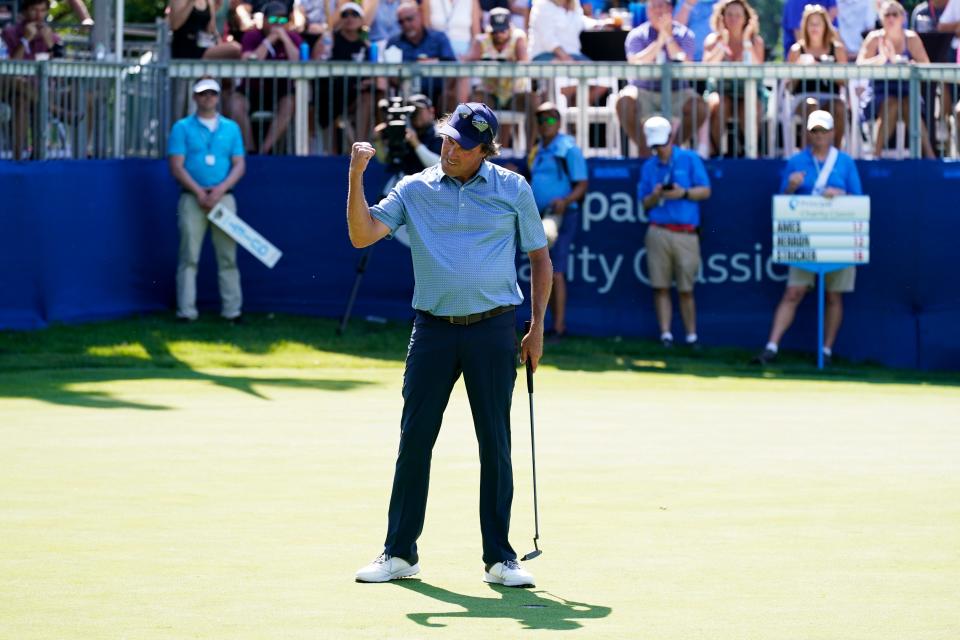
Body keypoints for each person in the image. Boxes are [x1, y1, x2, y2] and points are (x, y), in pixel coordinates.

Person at [347, 102, 552, 587]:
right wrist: (355, 177)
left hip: (494, 327)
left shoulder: (512, 188)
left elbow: (541, 259)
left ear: (485, 150)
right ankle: (399, 553)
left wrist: (537, 328)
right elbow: (361, 236)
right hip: (433, 329)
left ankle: (500, 557)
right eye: (446, 138)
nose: (449, 148)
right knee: (415, 440)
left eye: (461, 143)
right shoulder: (415, 187)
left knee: (495, 445)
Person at [753, 110, 863, 366]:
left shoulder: (845, 162)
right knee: (793, 292)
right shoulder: (796, 161)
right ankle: (771, 347)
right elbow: (783, 200)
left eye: (824, 131)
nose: (819, 136)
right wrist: (791, 186)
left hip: (837, 236)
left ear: (833, 133)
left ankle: (826, 351)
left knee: (834, 295)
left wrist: (840, 195)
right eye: (814, 131)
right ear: (808, 133)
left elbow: (859, 199)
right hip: (805, 237)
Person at [167, 78, 247, 323]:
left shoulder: (231, 128)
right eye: (203, 94)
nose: (208, 98)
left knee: (228, 257)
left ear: (218, 97)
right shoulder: (182, 127)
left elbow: (239, 164)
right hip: (192, 198)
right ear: (195, 98)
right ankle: (186, 312)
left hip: (223, 199)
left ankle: (232, 311)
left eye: (212, 93)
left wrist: (219, 190)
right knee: (188, 257)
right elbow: (176, 166)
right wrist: (200, 193)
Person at [637, 116, 712, 348]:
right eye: (655, 146)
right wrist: (657, 195)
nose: (659, 149)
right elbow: (644, 204)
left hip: (686, 234)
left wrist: (684, 193)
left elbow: (706, 191)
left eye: (662, 143)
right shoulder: (648, 167)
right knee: (660, 287)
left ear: (671, 138)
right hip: (658, 232)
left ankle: (691, 337)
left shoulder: (690, 159)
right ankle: (666, 335)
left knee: (686, 289)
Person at [528, 102, 588, 340]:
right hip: (539, 216)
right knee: (543, 270)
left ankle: (559, 327)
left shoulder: (568, 149)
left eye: (550, 120)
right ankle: (543, 325)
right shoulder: (538, 149)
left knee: (556, 272)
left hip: (561, 215)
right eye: (541, 120)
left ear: (559, 123)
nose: (545, 125)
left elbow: (582, 185)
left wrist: (565, 200)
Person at [617, 0, 706, 157]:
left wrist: (669, 38)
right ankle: (645, 152)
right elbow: (635, 61)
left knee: (699, 107)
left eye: (661, 6)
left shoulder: (685, 34)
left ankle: (672, 151)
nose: (658, 11)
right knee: (623, 102)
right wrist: (659, 41)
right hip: (643, 90)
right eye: (653, 6)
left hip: (677, 91)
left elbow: (685, 61)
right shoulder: (637, 35)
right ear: (647, 11)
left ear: (670, 9)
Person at [857, 0, 935, 159]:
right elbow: (859, 65)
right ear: (881, 18)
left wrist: (908, 64)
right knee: (891, 104)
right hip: (879, 92)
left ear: (902, 17)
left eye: (895, 14)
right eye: (887, 15)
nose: (891, 18)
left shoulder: (911, 38)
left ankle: (929, 157)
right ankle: (876, 157)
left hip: (907, 90)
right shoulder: (874, 38)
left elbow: (926, 66)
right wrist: (881, 58)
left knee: (909, 104)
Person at [230, 0, 303, 154]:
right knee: (235, 103)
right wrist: (269, 40)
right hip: (251, 89)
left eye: (282, 20)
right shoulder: (251, 36)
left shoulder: (293, 37)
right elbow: (249, 60)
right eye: (273, 19)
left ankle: (265, 150)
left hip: (281, 91)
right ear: (263, 20)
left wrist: (284, 39)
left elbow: (299, 61)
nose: (278, 24)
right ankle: (250, 149)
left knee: (290, 103)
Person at [463, 7, 538, 148]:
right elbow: (468, 61)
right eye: (495, 30)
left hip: (514, 93)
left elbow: (524, 61)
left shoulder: (518, 38)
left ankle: (530, 151)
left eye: (502, 30)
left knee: (534, 100)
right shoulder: (481, 40)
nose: (499, 35)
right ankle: (479, 148)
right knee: (475, 101)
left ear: (510, 26)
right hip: (491, 93)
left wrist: (509, 64)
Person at [1, 0, 63, 161]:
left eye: (42, 11)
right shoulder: (9, 33)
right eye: (34, 10)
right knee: (20, 91)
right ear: (24, 12)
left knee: (23, 100)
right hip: (10, 89)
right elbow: (10, 67)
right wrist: (25, 40)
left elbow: (61, 71)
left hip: (43, 90)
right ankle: (57, 111)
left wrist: (50, 44)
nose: (38, 15)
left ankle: (34, 156)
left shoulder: (51, 36)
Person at [702, 0, 765, 157]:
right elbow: (706, 66)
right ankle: (715, 152)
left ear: (746, 19)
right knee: (719, 104)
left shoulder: (755, 41)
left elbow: (758, 65)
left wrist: (745, 41)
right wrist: (722, 43)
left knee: (751, 107)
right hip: (721, 90)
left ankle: (750, 152)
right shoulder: (713, 40)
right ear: (722, 18)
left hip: (749, 92)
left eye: (738, 15)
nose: (733, 19)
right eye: (729, 14)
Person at [787, 4, 849, 149]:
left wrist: (828, 70)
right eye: (811, 24)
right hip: (803, 99)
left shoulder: (837, 49)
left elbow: (844, 82)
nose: (814, 28)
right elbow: (789, 86)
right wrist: (801, 69)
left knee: (839, 107)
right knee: (811, 104)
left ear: (825, 26)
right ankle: (809, 155)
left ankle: (835, 154)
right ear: (805, 26)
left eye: (818, 24)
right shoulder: (797, 50)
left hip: (831, 97)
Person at [387, 1, 458, 107]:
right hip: (405, 96)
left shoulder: (439, 38)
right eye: (401, 22)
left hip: (437, 95)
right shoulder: (393, 43)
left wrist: (446, 90)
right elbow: (389, 73)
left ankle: (448, 123)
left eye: (409, 19)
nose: (406, 24)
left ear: (420, 15)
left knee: (450, 96)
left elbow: (452, 66)